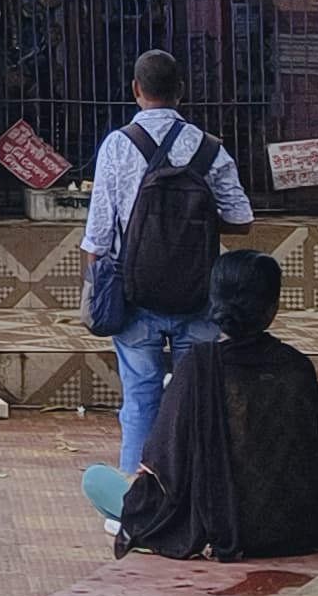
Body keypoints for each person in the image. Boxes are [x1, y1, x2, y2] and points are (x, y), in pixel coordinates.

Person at [80, 48, 256, 480]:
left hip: (134, 294)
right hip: (197, 296)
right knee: (195, 398)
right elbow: (242, 220)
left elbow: (99, 234)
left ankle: (135, 498)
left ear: (136, 90)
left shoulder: (118, 146)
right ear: (181, 91)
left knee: (139, 400)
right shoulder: (209, 148)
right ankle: (196, 495)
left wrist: (93, 284)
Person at [86, 249, 318, 561]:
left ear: (213, 303)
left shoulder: (198, 366)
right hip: (290, 526)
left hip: (213, 523)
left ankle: (145, 530)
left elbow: (163, 462)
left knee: (95, 478)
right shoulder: (298, 366)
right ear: (273, 307)